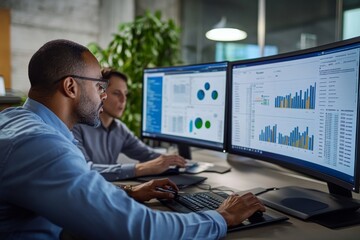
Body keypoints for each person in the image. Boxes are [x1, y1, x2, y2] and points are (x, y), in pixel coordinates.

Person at [0, 39, 265, 239]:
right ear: (70, 87)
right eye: (99, 86)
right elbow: (139, 227)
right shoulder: (41, 145)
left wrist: (129, 192)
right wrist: (222, 216)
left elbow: (74, 186)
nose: (103, 95)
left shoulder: (16, 121)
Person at [72, 68, 186, 179]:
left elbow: (148, 155)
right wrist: (140, 169)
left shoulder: (119, 129)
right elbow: (84, 170)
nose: (123, 100)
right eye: (116, 93)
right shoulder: (76, 126)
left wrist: (177, 161)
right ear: (100, 93)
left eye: (125, 94)